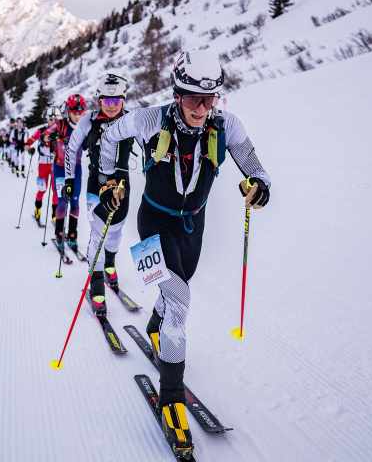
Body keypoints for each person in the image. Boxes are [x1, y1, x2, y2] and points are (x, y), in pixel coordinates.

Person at [97, 50, 271, 458]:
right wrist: (109, 183)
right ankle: (172, 397)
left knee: (177, 290)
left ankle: (157, 328)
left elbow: (255, 168)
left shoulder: (227, 125)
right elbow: (108, 137)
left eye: (210, 98)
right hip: (150, 225)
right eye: (193, 97)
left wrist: (258, 188)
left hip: (193, 225)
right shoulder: (148, 120)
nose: (202, 107)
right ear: (177, 93)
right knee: (180, 301)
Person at [64, 72, 134, 315]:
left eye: (117, 101)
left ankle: (110, 265)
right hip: (96, 185)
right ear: (99, 101)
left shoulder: (132, 120)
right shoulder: (88, 121)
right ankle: (96, 281)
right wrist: (70, 179)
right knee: (97, 232)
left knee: (116, 230)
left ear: (124, 101)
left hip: (123, 187)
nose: (112, 106)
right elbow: (71, 149)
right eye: (107, 101)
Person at [51, 94, 87, 252]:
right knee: (62, 201)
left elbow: (89, 144)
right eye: (74, 111)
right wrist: (56, 139)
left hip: (76, 169)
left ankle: (72, 235)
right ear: (68, 111)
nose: (78, 114)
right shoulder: (60, 125)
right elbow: (46, 135)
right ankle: (59, 234)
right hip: (60, 168)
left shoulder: (85, 126)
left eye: (81, 111)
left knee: (75, 201)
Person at [26, 107, 62, 222]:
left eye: (56, 119)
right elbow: (28, 142)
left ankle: (54, 216)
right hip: (43, 164)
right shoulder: (41, 131)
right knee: (42, 189)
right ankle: (37, 212)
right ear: (47, 119)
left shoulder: (61, 132)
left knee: (56, 191)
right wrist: (29, 149)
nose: (53, 121)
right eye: (51, 119)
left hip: (56, 164)